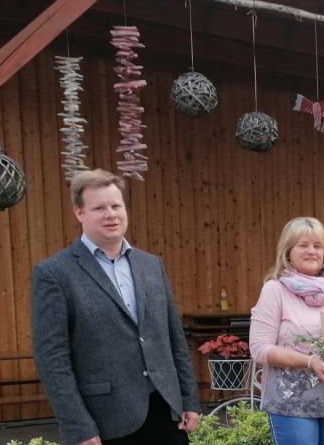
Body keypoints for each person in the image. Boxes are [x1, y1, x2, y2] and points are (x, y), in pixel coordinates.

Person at [31, 169, 199, 445]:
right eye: (99, 208)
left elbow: (174, 337)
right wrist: (78, 426)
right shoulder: (54, 274)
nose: (111, 214)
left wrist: (189, 398)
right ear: (79, 213)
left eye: (116, 206)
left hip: (166, 412)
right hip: (105, 421)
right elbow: (52, 360)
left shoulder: (151, 265)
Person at [249, 217, 324, 445]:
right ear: (288, 251)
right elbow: (260, 349)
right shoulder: (274, 290)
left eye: (317, 246)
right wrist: (309, 361)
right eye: (303, 245)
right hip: (292, 405)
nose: (312, 251)